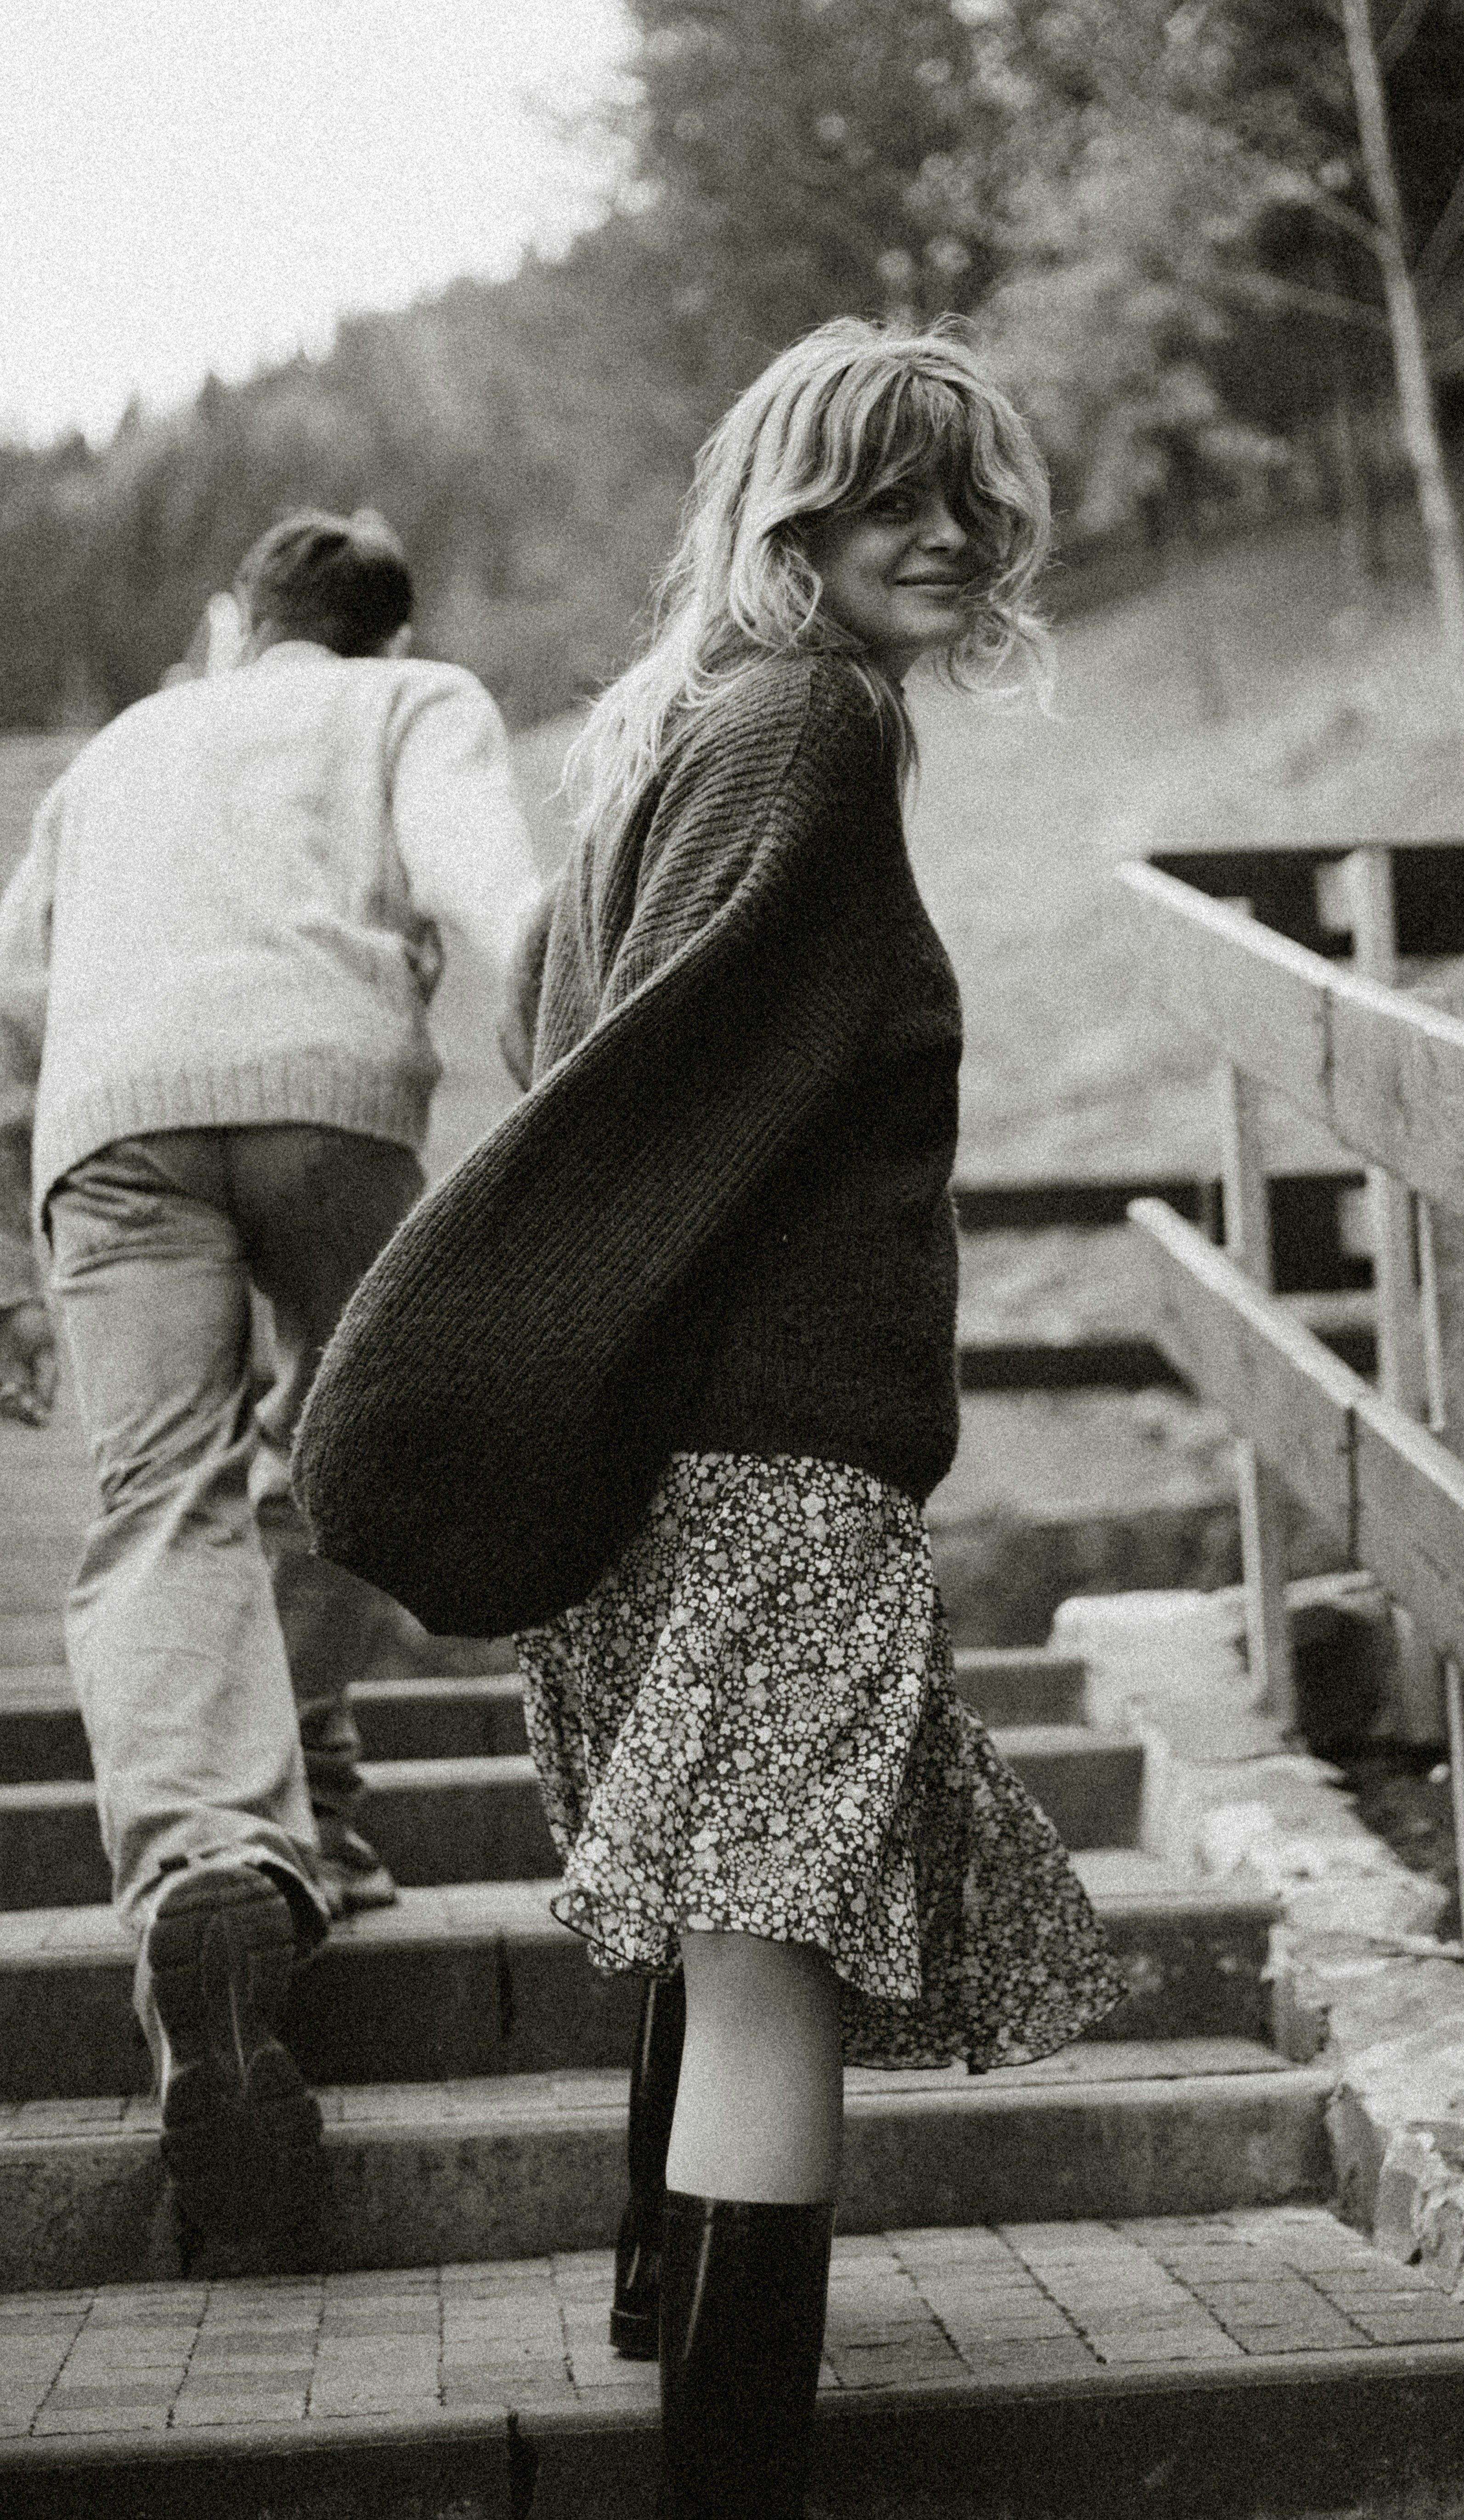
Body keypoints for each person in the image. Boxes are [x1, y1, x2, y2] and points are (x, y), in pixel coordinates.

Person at [294, 325, 1124, 2516]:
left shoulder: (680, 727)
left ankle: (668, 2325)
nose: (943, 533)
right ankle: (728, 2475)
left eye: (965, 493)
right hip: (765, 1466)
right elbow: (642, 1092)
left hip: (674, 1460)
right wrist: (465, 1348)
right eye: (884, 497)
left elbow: (567, 1038)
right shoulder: (807, 726)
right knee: (772, 1970)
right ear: (787, 519)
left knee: (728, 1923)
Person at [0, 508, 543, 2270]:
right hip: (329, 1097)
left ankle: (217, 1862)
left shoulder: (121, 746)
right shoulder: (412, 703)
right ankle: (303, 1784)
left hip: (108, 1129)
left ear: (236, 621)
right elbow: (494, 891)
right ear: (391, 637)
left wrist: (7, 1261)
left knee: (159, 1496)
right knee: (352, 1444)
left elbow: (10, 994)